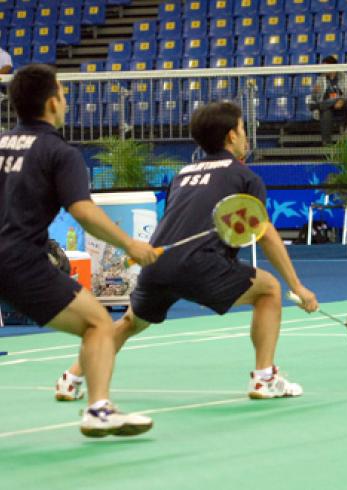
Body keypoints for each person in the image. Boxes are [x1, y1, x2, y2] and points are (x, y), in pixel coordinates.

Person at [54, 101, 320, 402]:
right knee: (269, 290)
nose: (246, 136)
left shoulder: (184, 174)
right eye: (243, 129)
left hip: (157, 263)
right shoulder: (244, 177)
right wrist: (297, 286)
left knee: (130, 323)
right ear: (231, 136)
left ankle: (72, 378)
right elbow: (266, 235)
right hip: (199, 265)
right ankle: (264, 379)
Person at [0, 64, 158, 437]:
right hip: (18, 260)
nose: (67, 101)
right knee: (99, 323)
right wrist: (132, 244)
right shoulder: (59, 152)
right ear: (52, 102)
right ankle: (98, 409)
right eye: (64, 94)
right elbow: (83, 211)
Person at [311, 55, 347, 146]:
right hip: (329, 107)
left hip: (343, 105)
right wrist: (315, 92)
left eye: (325, 67)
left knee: (326, 106)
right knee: (326, 112)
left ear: (333, 66)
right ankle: (327, 142)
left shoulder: (343, 76)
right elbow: (315, 98)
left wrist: (341, 100)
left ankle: (322, 106)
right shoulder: (320, 79)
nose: (323, 69)